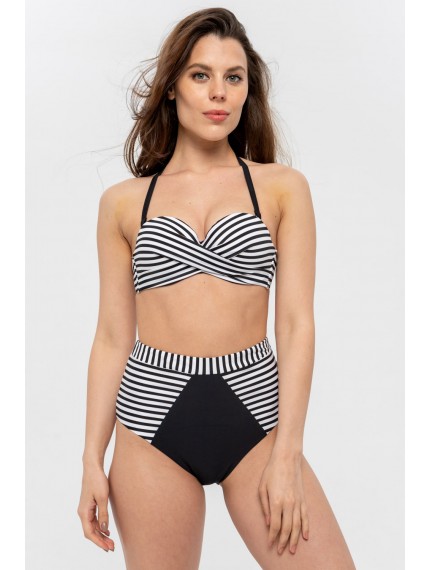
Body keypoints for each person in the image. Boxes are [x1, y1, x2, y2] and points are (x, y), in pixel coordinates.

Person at [77, 7, 356, 569]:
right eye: (200, 75)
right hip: (150, 423)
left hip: (255, 415)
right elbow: (111, 337)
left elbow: (296, 324)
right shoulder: (124, 203)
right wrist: (90, 459)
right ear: (172, 87)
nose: (218, 92)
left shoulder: (282, 189)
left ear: (249, 91)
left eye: (234, 77)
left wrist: (288, 452)